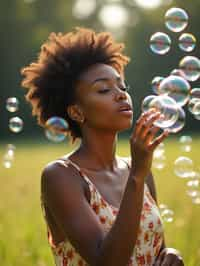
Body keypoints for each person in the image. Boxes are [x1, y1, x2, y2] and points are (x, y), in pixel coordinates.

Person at [21, 27, 184, 266]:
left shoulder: (138, 171)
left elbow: (153, 247)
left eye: (122, 87)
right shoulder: (61, 176)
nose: (120, 95)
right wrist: (137, 176)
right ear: (77, 111)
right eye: (104, 89)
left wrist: (171, 255)